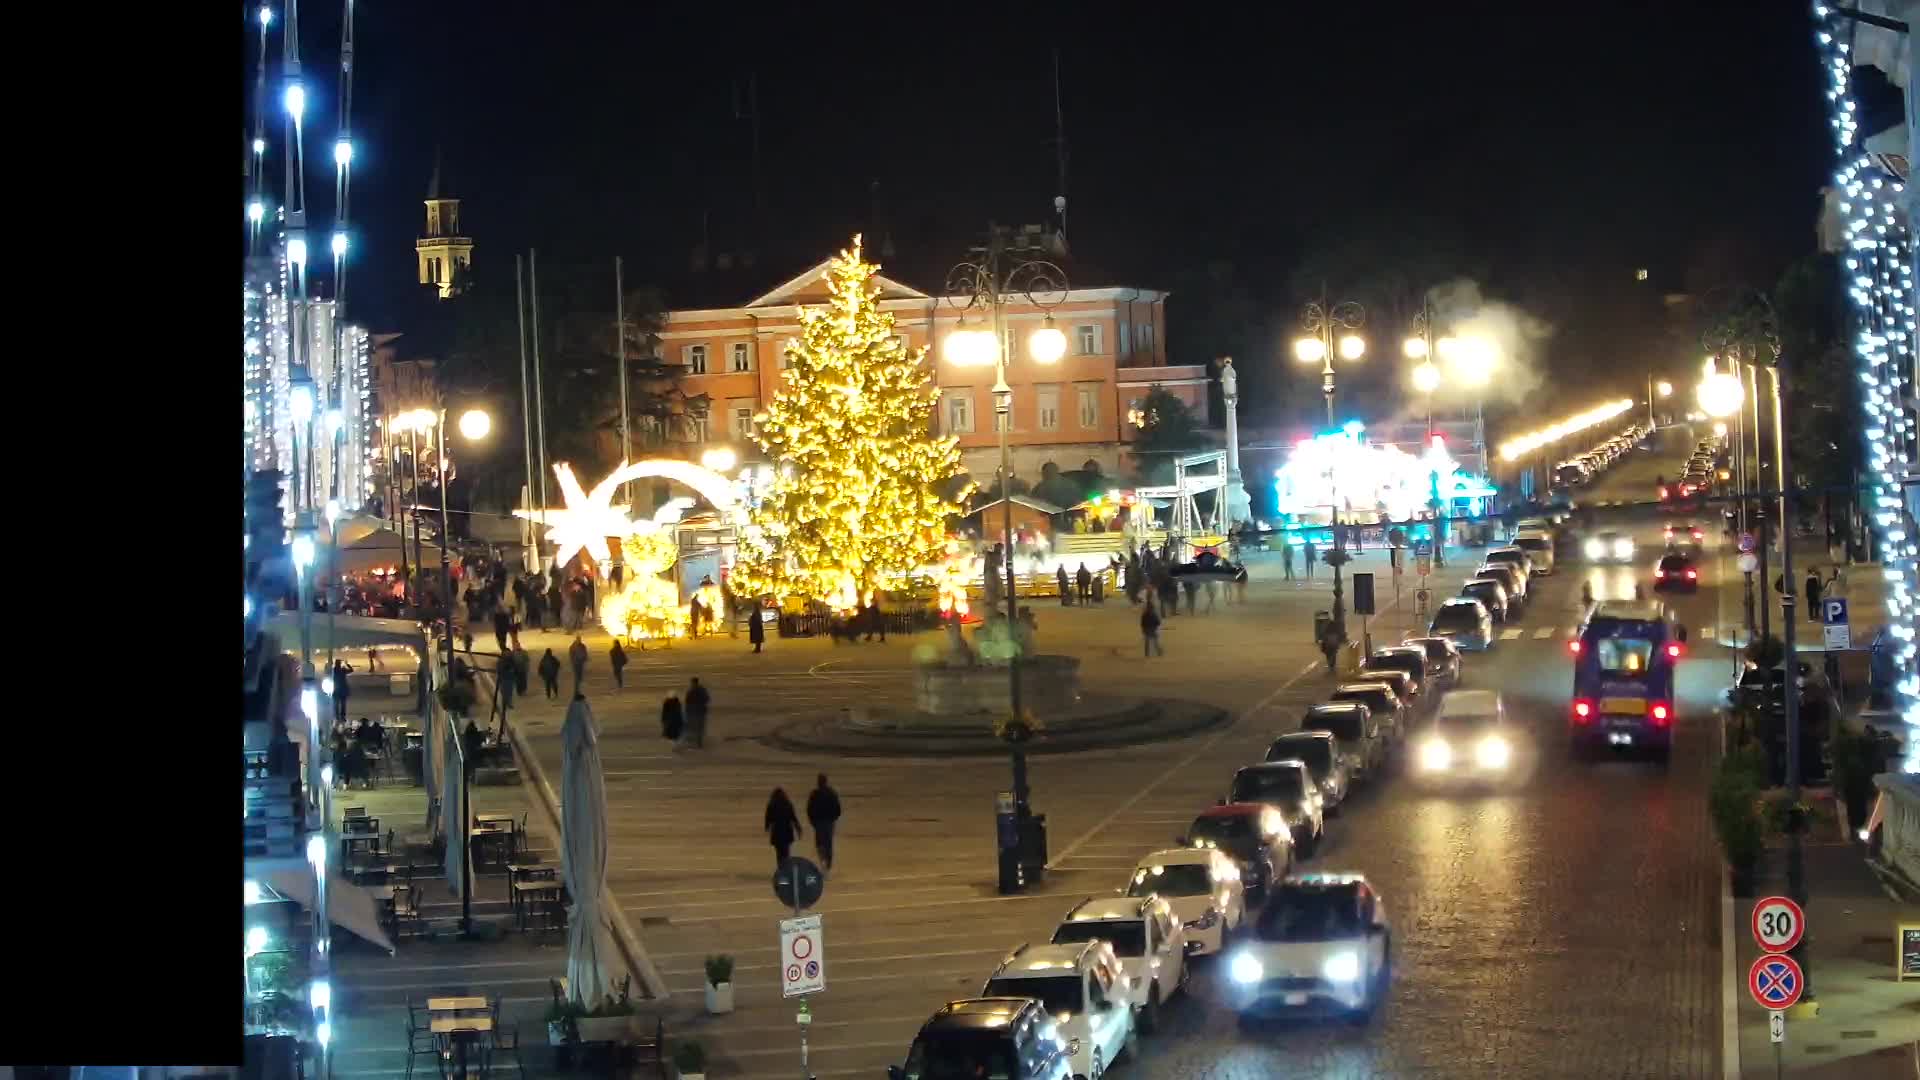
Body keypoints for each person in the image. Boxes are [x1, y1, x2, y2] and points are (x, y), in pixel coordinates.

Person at [806, 774, 843, 871]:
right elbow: (838, 809)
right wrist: (834, 818)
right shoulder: (832, 793)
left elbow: (809, 809)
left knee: (819, 844)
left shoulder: (815, 794)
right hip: (829, 822)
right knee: (828, 844)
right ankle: (828, 865)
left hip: (819, 823)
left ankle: (823, 862)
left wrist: (812, 821)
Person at [764, 788, 803, 870]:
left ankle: (781, 868)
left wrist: (767, 827)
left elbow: (768, 819)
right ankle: (786, 869)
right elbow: (793, 818)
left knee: (779, 854)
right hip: (787, 831)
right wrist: (798, 829)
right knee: (786, 852)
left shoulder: (771, 805)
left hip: (777, 832)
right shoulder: (788, 804)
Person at [686, 677, 711, 749]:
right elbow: (707, 699)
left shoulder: (690, 691)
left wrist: (688, 712)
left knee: (695, 726)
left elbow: (687, 702)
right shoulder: (702, 690)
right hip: (701, 711)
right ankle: (699, 742)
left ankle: (697, 742)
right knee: (700, 727)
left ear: (693, 682)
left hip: (694, 712)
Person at [331, 659, 353, 724]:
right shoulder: (343, 670)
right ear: (340, 664)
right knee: (343, 704)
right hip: (343, 689)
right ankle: (342, 717)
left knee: (336, 704)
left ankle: (337, 717)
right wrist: (347, 664)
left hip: (336, 689)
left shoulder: (333, 670)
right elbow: (351, 670)